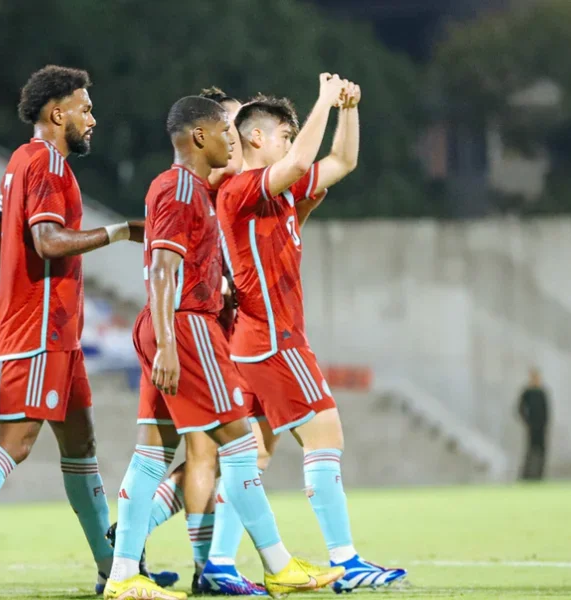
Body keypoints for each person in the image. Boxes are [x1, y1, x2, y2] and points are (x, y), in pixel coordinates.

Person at [0, 65, 143, 600]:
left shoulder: (20, 162)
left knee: (81, 443)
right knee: (14, 441)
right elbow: (45, 241)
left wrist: (6, 298)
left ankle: (113, 569)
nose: (93, 118)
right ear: (57, 112)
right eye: (85, 108)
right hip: (42, 328)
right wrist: (122, 230)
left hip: (53, 329)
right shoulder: (45, 162)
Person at [104, 95, 345, 600]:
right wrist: (170, 343)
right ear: (199, 137)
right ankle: (274, 564)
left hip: (171, 324)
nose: (231, 140)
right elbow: (166, 268)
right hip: (187, 328)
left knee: (153, 453)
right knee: (240, 446)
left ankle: (124, 573)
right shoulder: (181, 189)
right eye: (224, 132)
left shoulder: (183, 189)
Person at [214, 76, 407, 593]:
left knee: (251, 456)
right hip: (275, 339)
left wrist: (348, 108)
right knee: (325, 437)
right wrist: (322, 98)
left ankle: (216, 563)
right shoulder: (238, 190)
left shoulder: (280, 194)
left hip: (255, 343)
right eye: (283, 132)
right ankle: (346, 562)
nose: (291, 141)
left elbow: (342, 162)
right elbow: (299, 163)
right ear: (256, 138)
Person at [518, 367, 549, 481]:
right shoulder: (527, 392)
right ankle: (527, 476)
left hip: (542, 427)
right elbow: (520, 409)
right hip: (532, 427)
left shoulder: (542, 392)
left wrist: (545, 423)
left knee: (541, 451)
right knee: (530, 451)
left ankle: (539, 475)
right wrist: (528, 422)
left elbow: (546, 410)